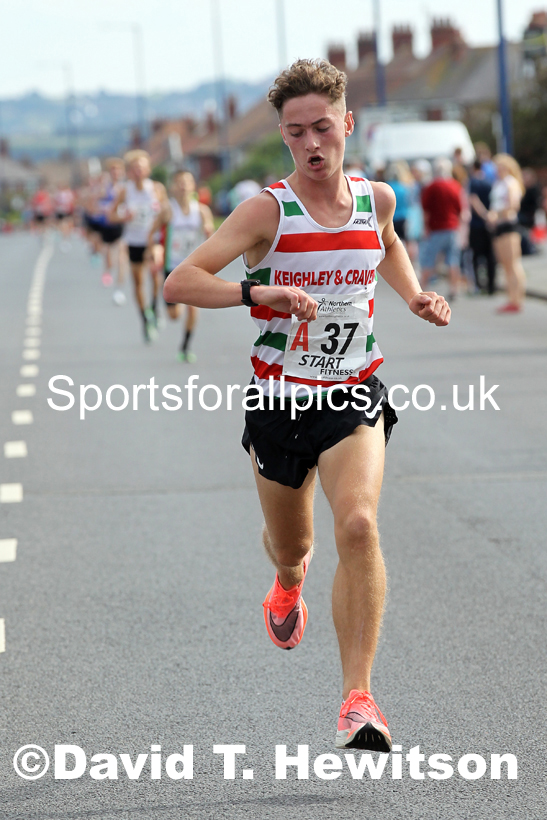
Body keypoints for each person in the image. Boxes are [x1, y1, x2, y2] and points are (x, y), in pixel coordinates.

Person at [164, 58, 450, 751]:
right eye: (296, 133)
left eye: (323, 127)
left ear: (346, 124)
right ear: (285, 138)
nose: (312, 143)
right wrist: (254, 293)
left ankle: (358, 700)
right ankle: (287, 582)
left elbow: (383, 243)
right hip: (278, 400)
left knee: (357, 524)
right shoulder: (267, 209)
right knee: (293, 547)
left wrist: (410, 293)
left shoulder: (376, 197)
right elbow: (181, 281)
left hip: (353, 390)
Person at [150, 169, 214, 361]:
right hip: (173, 266)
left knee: (194, 307)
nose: (183, 185)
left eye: (187, 181)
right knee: (174, 315)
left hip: (195, 266)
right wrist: (154, 251)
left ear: (193, 185)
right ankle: (156, 308)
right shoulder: (167, 210)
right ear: (172, 187)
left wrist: (209, 232)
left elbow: (213, 238)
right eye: (179, 182)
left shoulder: (202, 211)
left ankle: (185, 347)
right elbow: (152, 235)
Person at [109, 150, 169, 341]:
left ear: (148, 169)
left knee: (155, 273)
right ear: (129, 172)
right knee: (138, 282)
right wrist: (123, 217)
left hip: (153, 241)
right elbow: (110, 216)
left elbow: (168, 212)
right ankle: (145, 318)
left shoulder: (157, 188)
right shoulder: (125, 191)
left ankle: (154, 306)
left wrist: (161, 219)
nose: (138, 172)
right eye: (134, 169)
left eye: (141, 168)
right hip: (134, 241)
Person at [470, 153, 526, 313]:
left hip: (508, 225)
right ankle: (511, 298)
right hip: (498, 226)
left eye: (500, 167)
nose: (497, 170)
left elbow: (512, 206)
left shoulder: (511, 183)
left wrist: (496, 215)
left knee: (513, 263)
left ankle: (517, 299)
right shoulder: (498, 184)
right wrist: (488, 213)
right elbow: (495, 206)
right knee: (505, 264)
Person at [420, 158, 463, 299]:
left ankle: (420, 289)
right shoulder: (455, 186)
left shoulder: (432, 186)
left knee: (429, 259)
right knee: (453, 260)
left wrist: (425, 227)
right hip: (452, 227)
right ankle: (454, 289)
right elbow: (460, 208)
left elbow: (425, 209)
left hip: (436, 228)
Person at [95, 159, 127, 300]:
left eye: (118, 170)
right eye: (113, 170)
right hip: (107, 224)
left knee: (121, 255)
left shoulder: (125, 188)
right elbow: (96, 203)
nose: (116, 173)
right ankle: (107, 271)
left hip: (121, 224)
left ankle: (119, 288)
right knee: (108, 252)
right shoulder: (104, 188)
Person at [468, 160, 496, 294]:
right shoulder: (490, 181)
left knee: (476, 256)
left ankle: (479, 285)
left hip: (477, 224)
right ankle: (491, 286)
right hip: (490, 223)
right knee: (490, 255)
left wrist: (484, 215)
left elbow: (473, 200)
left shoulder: (473, 182)